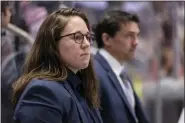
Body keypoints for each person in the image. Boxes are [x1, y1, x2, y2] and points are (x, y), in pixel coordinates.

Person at [12, 8, 103, 123]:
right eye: (77, 37)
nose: (86, 44)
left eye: (88, 37)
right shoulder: (43, 91)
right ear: (53, 44)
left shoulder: (82, 87)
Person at [93, 10, 150, 123]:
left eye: (137, 35)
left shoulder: (121, 73)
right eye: (129, 36)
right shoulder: (95, 73)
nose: (136, 42)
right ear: (107, 39)